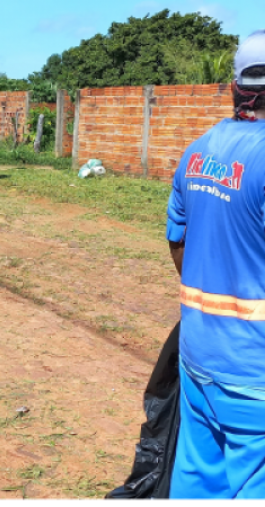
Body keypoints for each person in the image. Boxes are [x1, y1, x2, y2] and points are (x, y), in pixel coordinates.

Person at [166, 30, 265, 501]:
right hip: (254, 373)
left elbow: (178, 242)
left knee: (199, 475)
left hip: (199, 353)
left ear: (235, 86)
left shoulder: (197, 151)